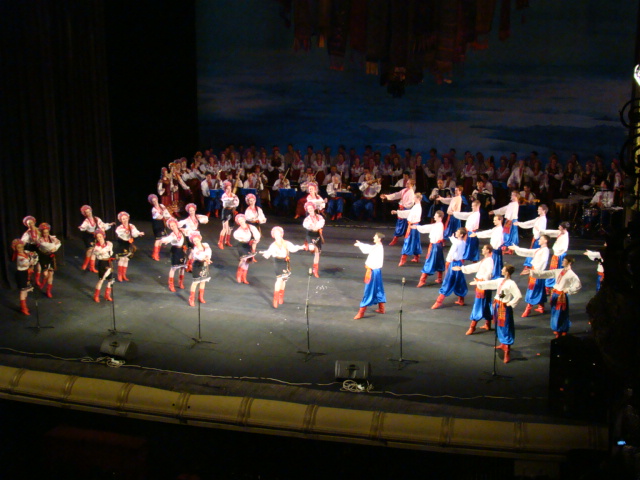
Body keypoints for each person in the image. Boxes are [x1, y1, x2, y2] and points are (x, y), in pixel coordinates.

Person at [472, 264, 522, 364]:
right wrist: (479, 283)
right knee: (499, 324)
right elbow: (490, 284)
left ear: (507, 272)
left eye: (503, 269)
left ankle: (507, 350)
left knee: (505, 326)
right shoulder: (500, 280)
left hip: (504, 307)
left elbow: (518, 295)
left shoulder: (511, 283)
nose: (501, 270)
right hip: (497, 305)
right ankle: (502, 343)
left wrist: (510, 303)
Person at [530, 256, 582, 338]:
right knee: (555, 311)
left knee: (560, 313)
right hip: (555, 294)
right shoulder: (559, 271)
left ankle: (561, 329)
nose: (562, 262)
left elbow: (577, 285)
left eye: (564, 261)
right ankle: (558, 328)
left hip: (561, 296)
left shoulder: (572, 275)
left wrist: (568, 290)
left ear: (569, 263)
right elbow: (546, 273)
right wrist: (532, 272)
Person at [453, 244, 495, 335]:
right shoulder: (486, 260)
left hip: (483, 285)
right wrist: (462, 268)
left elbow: (489, 273)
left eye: (484, 248)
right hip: (482, 284)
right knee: (486, 303)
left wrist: (481, 282)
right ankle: (487, 324)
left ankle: (472, 327)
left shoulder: (489, 261)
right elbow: (476, 266)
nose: (482, 249)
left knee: (479, 304)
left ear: (488, 250)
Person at [261, 226, 305, 308]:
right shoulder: (273, 245)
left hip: (285, 262)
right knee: (279, 279)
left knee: (284, 279)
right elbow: (269, 252)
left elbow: (293, 248)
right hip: (278, 262)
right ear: (273, 235)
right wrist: (266, 253)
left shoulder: (286, 243)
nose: (277, 236)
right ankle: (275, 298)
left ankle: (281, 296)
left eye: (279, 234)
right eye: (275, 234)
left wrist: (301, 247)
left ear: (282, 234)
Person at [508, 235, 550, 317]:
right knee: (539, 288)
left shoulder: (545, 250)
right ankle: (541, 306)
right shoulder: (540, 249)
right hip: (536, 271)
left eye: (541, 239)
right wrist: (517, 248)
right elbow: (528, 252)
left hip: (537, 272)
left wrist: (534, 271)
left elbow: (543, 262)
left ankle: (528, 309)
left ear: (545, 241)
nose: (539, 240)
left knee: (533, 288)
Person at [431, 228, 469, 309]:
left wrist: (448, 263)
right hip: (459, 263)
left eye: (457, 232)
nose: (456, 232)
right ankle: (461, 300)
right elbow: (456, 243)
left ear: (461, 235)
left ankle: (439, 301)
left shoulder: (457, 243)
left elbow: (451, 253)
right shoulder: (463, 242)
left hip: (453, 263)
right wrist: (452, 238)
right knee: (459, 281)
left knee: (448, 281)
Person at [353, 233, 387, 319]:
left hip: (373, 272)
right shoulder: (378, 246)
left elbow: (368, 249)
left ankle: (361, 312)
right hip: (377, 271)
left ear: (379, 239)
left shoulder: (377, 247)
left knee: (368, 290)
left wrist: (360, 245)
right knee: (378, 288)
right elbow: (369, 247)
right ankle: (381, 309)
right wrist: (360, 244)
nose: (373, 237)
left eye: (375, 236)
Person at [514, 204, 548, 275]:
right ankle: (529, 266)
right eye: (538, 209)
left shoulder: (543, 219)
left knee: (534, 252)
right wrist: (520, 224)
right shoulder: (538, 218)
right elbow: (530, 223)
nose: (538, 210)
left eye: (539, 209)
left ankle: (530, 267)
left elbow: (541, 230)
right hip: (536, 238)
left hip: (538, 238)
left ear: (544, 211)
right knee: (533, 252)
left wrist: (538, 233)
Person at [78, 205, 114, 273]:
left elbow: (102, 224)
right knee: (90, 250)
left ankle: (92, 267)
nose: (89, 213)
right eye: (87, 212)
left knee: (94, 250)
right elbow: (83, 226)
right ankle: (85, 264)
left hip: (95, 235)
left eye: (89, 211)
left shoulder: (96, 218)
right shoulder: (86, 221)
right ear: (85, 214)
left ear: (91, 211)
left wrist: (109, 225)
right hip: (88, 236)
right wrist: (81, 227)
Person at [414, 210, 445, 287]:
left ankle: (422, 280)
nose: (434, 216)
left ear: (439, 217)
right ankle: (439, 278)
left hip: (435, 246)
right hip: (438, 245)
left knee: (429, 261)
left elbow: (429, 228)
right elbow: (429, 227)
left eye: (435, 215)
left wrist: (417, 227)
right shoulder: (438, 225)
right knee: (439, 261)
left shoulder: (438, 225)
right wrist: (417, 227)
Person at [382, 178, 416, 245]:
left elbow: (411, 203)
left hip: (405, 210)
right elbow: (397, 194)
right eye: (407, 183)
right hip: (402, 209)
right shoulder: (405, 190)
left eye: (408, 183)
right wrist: (387, 196)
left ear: (412, 185)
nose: (406, 184)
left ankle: (401, 239)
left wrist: (404, 206)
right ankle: (400, 239)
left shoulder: (411, 193)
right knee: (401, 224)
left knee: (403, 225)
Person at [393, 192, 423, 265]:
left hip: (413, 226)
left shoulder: (417, 207)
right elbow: (409, 212)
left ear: (418, 198)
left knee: (408, 241)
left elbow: (411, 215)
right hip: (414, 225)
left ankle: (403, 259)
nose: (413, 198)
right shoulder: (416, 206)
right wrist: (397, 212)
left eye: (414, 197)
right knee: (415, 241)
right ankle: (416, 257)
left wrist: (411, 224)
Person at [472, 215, 505, 280]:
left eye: (495, 220)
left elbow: (498, 241)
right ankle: (494, 275)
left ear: (500, 220)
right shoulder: (496, 229)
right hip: (494, 249)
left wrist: (493, 248)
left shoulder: (500, 230)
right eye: (494, 220)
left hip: (495, 249)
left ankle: (495, 275)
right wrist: (477, 234)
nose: (494, 221)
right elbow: (488, 232)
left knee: (494, 263)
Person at [114, 212, 144, 282]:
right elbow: (119, 233)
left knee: (126, 259)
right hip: (122, 243)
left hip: (129, 244)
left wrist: (139, 233)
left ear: (128, 218)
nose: (125, 220)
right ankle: (119, 275)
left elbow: (134, 232)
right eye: (123, 219)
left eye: (126, 218)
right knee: (122, 258)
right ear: (120, 220)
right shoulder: (120, 228)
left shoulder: (131, 226)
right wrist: (125, 231)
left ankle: (124, 274)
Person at [11, 239, 38, 315]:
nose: (20, 249)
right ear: (15, 248)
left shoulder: (25, 252)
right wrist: (32, 261)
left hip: (26, 273)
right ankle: (23, 308)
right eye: (18, 247)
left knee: (25, 290)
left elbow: (33, 254)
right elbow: (25, 264)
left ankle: (24, 306)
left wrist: (33, 256)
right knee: (23, 291)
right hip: (21, 274)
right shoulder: (19, 257)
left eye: (21, 247)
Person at [232, 214, 261, 284]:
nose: (241, 221)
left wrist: (254, 240)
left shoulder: (251, 227)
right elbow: (238, 237)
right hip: (242, 245)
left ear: (244, 219)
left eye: (242, 219)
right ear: (238, 222)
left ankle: (244, 277)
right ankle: (239, 275)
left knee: (247, 261)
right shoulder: (238, 231)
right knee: (243, 260)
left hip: (248, 245)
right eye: (239, 220)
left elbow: (257, 236)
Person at [542, 222, 570, 292]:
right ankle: (551, 285)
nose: (558, 227)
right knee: (555, 270)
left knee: (555, 270)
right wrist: (542, 231)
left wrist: (556, 252)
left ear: (564, 228)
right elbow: (552, 232)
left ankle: (551, 285)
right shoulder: (561, 232)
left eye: (560, 227)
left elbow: (563, 248)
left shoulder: (564, 236)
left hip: (559, 255)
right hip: (558, 254)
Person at [160, 218, 187, 292]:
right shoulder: (172, 235)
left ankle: (180, 282)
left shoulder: (181, 231)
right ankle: (171, 284)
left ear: (176, 224)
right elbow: (168, 239)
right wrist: (164, 240)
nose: (173, 227)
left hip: (182, 250)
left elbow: (189, 232)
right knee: (174, 268)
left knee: (182, 267)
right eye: (171, 226)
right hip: (175, 251)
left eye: (174, 225)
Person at [35, 223, 61, 298]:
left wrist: (55, 248)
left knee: (51, 274)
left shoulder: (52, 238)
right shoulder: (40, 239)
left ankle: (48, 290)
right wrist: (53, 246)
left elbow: (59, 243)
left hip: (51, 257)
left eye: (47, 232)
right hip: (44, 257)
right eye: (44, 232)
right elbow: (45, 246)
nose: (45, 234)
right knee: (45, 274)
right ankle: (43, 282)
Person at [188, 233, 212, 307]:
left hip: (204, 264)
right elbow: (200, 257)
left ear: (200, 239)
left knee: (203, 281)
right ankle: (191, 299)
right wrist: (206, 259)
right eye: (194, 241)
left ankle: (200, 297)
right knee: (195, 282)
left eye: (197, 240)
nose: (196, 242)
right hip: (197, 265)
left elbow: (209, 252)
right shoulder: (195, 250)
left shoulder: (205, 245)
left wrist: (208, 258)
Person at [302, 202, 325, 278]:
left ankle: (315, 270)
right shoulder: (307, 219)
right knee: (312, 248)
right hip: (310, 234)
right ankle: (308, 245)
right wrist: (312, 226)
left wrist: (316, 226)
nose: (310, 209)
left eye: (311, 208)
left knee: (317, 253)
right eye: (308, 209)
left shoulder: (319, 217)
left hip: (317, 235)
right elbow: (306, 225)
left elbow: (321, 223)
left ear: (314, 208)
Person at [92, 229, 114, 303]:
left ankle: (107, 295)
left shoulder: (109, 243)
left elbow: (110, 252)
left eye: (100, 236)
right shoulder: (96, 247)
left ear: (104, 236)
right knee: (101, 279)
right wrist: (103, 251)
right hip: (102, 263)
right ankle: (96, 296)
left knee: (110, 280)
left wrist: (105, 251)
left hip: (109, 262)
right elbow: (99, 253)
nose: (99, 238)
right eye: (97, 237)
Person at [149, 194, 172, 261]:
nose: (155, 202)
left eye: (155, 200)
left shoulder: (161, 206)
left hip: (161, 223)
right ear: (152, 202)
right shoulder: (153, 209)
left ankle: (157, 253)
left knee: (161, 239)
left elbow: (166, 213)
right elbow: (158, 216)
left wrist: (170, 218)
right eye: (153, 201)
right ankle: (155, 254)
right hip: (156, 224)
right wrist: (163, 215)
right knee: (158, 239)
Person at [218, 180, 239, 250]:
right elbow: (227, 202)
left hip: (231, 211)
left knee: (230, 228)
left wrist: (234, 200)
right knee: (225, 228)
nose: (229, 190)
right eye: (227, 189)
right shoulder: (224, 195)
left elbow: (237, 203)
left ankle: (227, 241)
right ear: (225, 189)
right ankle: (220, 242)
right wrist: (233, 199)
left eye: (230, 188)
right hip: (226, 211)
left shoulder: (233, 195)